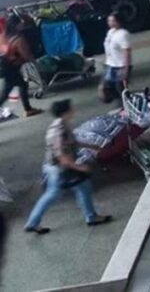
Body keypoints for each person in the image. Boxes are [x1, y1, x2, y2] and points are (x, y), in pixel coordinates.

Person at [24, 99, 112, 234]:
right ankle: (91, 216)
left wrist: (91, 146)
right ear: (65, 112)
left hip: (57, 166)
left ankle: (91, 216)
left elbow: (72, 143)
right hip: (59, 169)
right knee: (55, 193)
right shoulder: (59, 130)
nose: (73, 110)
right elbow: (62, 156)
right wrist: (79, 167)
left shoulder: (62, 124)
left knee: (80, 188)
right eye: (71, 109)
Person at [0, 16, 42, 117]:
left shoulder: (3, 36)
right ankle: (28, 110)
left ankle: (28, 109)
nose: (22, 24)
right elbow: (26, 55)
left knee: (21, 85)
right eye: (20, 23)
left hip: (5, 66)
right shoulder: (19, 39)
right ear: (15, 25)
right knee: (9, 90)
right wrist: (35, 65)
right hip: (14, 67)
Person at [100, 12, 131, 104]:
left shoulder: (123, 34)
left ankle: (125, 105)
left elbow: (127, 51)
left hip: (120, 65)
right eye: (109, 20)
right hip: (110, 64)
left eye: (113, 21)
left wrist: (125, 68)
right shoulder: (110, 32)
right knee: (106, 86)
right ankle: (117, 100)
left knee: (120, 88)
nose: (110, 23)